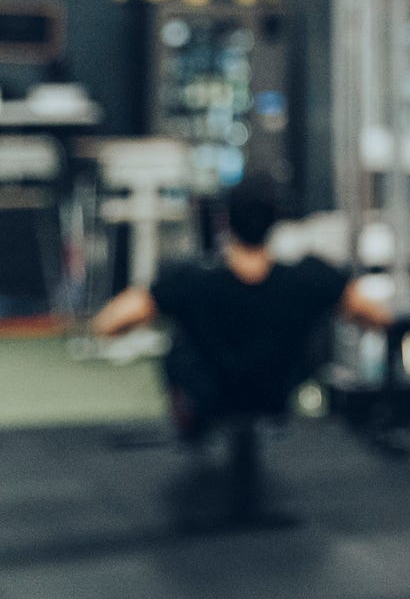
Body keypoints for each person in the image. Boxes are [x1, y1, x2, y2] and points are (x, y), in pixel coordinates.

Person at [92, 182, 391, 448]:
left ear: (224, 222)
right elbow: (378, 317)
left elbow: (109, 322)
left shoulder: (192, 281)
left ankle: (191, 423)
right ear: (276, 222)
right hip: (275, 396)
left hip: (211, 400)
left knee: (178, 346)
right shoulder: (308, 278)